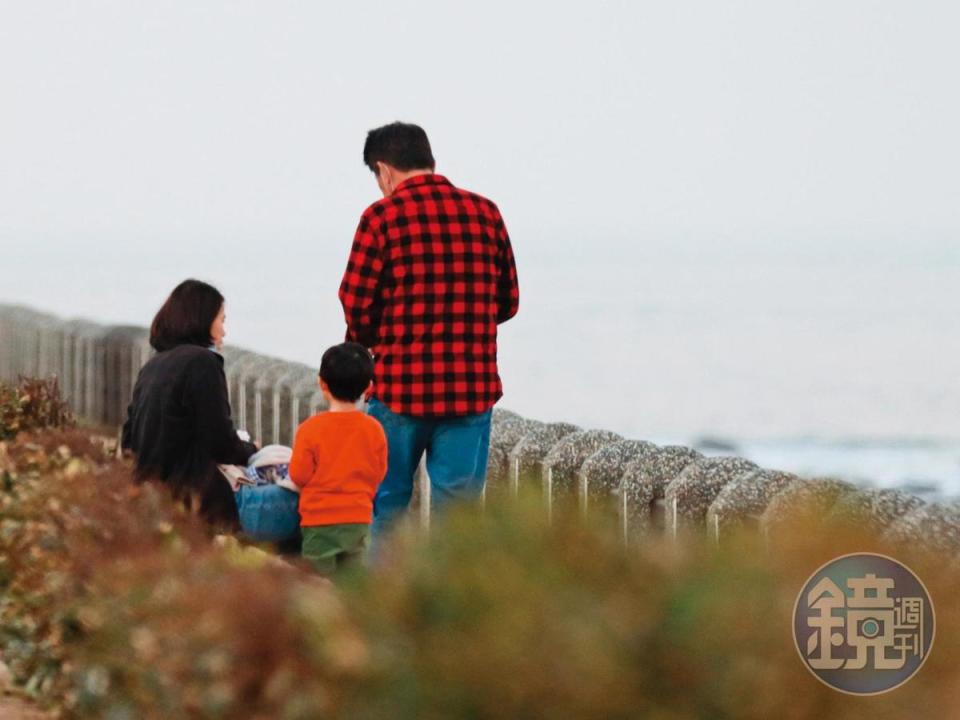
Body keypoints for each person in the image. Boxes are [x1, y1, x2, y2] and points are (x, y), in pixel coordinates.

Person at [339, 121, 520, 547]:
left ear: (383, 170)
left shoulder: (380, 219)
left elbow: (357, 303)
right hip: (468, 392)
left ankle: (383, 603)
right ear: (430, 161)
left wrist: (373, 343)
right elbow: (507, 301)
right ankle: (448, 610)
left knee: (386, 505)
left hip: (399, 391)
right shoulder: (485, 212)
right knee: (457, 518)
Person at [121, 279, 299, 539]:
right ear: (202, 320)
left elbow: (129, 439)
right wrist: (252, 449)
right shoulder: (203, 362)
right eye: (222, 320)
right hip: (200, 501)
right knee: (308, 500)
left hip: (157, 497)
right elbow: (219, 442)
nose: (224, 332)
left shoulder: (152, 367)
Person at [288, 342, 388, 575]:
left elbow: (298, 475)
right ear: (368, 387)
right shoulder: (374, 429)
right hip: (359, 518)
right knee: (352, 581)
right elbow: (379, 473)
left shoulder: (310, 430)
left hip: (318, 520)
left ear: (322, 383)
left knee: (316, 582)